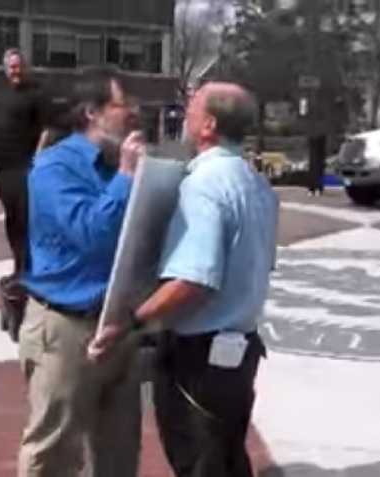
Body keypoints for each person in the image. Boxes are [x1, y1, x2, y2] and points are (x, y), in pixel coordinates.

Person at [89, 82, 279, 477]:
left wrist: (131, 321)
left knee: (200, 462)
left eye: (191, 107)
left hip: (199, 359)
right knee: (227, 457)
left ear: (208, 124)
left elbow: (194, 280)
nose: (185, 113)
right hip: (239, 354)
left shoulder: (204, 186)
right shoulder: (256, 182)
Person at [17, 66, 145, 477]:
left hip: (117, 326)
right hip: (65, 327)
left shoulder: (122, 165)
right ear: (93, 112)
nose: (133, 114)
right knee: (53, 450)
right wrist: (126, 176)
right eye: (123, 105)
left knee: (119, 450)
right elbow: (92, 233)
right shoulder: (55, 168)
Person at [0, 49, 52, 342]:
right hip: (6, 176)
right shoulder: (4, 96)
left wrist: (37, 161)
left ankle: (30, 279)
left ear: (25, 67)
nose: (15, 71)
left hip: (25, 171)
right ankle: (19, 273)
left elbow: (49, 128)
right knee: (13, 227)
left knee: (28, 228)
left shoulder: (36, 94)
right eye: (10, 67)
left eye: (18, 66)